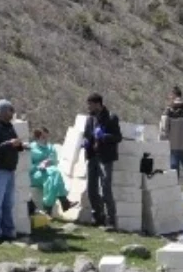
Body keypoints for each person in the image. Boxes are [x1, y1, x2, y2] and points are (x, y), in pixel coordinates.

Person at [0, 99, 27, 242]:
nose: (12, 113)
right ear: (1, 112)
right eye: (10, 110)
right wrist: (9, 144)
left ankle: (8, 232)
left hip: (9, 170)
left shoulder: (9, 126)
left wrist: (20, 146)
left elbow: (14, 144)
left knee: (8, 204)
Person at [82, 93, 122, 230]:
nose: (88, 107)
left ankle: (111, 220)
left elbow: (118, 137)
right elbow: (87, 135)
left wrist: (104, 136)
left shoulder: (111, 117)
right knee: (91, 188)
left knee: (105, 188)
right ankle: (97, 215)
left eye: (90, 104)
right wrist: (86, 142)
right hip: (93, 156)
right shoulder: (90, 119)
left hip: (105, 158)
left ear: (98, 104)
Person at [29, 127, 75, 214]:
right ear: (37, 137)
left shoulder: (51, 147)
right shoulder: (31, 148)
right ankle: (63, 201)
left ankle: (48, 209)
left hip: (49, 174)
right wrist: (39, 166)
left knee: (52, 178)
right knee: (55, 173)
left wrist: (47, 163)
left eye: (47, 137)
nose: (46, 140)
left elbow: (54, 161)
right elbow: (28, 167)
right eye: (43, 137)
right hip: (35, 175)